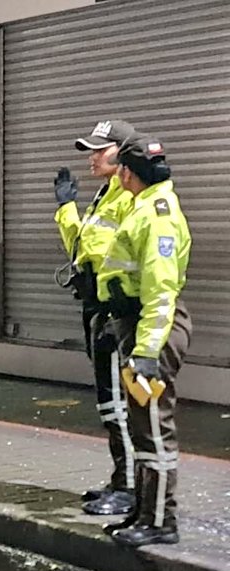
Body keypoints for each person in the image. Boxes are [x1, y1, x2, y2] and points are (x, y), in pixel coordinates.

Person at [96, 133, 192, 547]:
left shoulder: (157, 215)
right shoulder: (145, 205)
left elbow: (161, 290)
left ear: (127, 172)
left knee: (153, 428)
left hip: (151, 330)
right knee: (142, 427)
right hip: (136, 325)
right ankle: (144, 512)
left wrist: (147, 352)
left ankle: (160, 522)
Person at [53, 119, 138, 517]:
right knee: (109, 402)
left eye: (100, 150)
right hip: (98, 309)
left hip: (117, 311)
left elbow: (113, 254)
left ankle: (131, 488)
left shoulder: (131, 196)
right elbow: (80, 250)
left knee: (121, 404)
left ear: (124, 154)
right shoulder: (105, 195)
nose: (92, 158)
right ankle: (121, 480)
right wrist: (66, 209)